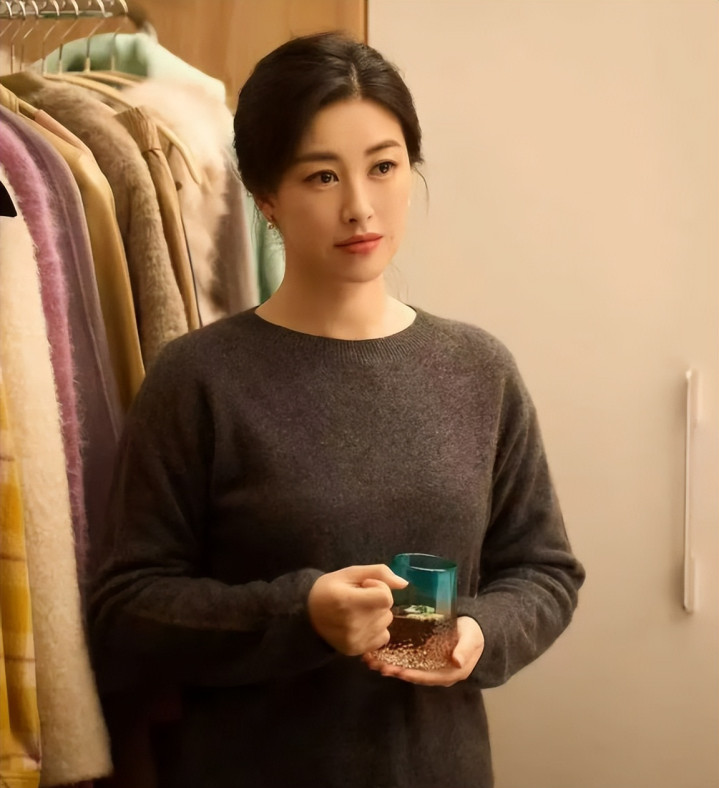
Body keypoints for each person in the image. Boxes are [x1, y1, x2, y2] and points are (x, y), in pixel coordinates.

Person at [89, 32, 585, 788]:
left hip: (438, 767)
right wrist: (302, 614)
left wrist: (480, 631)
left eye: (383, 166)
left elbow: (543, 570)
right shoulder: (197, 378)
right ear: (266, 197)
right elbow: (124, 611)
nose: (359, 207)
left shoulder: (478, 370)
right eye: (322, 176)